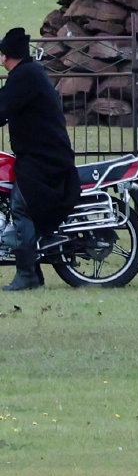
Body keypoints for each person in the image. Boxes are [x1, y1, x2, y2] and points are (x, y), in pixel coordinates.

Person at [0, 28, 80, 290]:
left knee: (21, 207)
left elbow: (2, 109)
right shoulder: (27, 74)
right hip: (43, 154)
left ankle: (28, 275)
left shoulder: (24, 77)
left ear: (5, 56)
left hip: (44, 159)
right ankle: (31, 270)